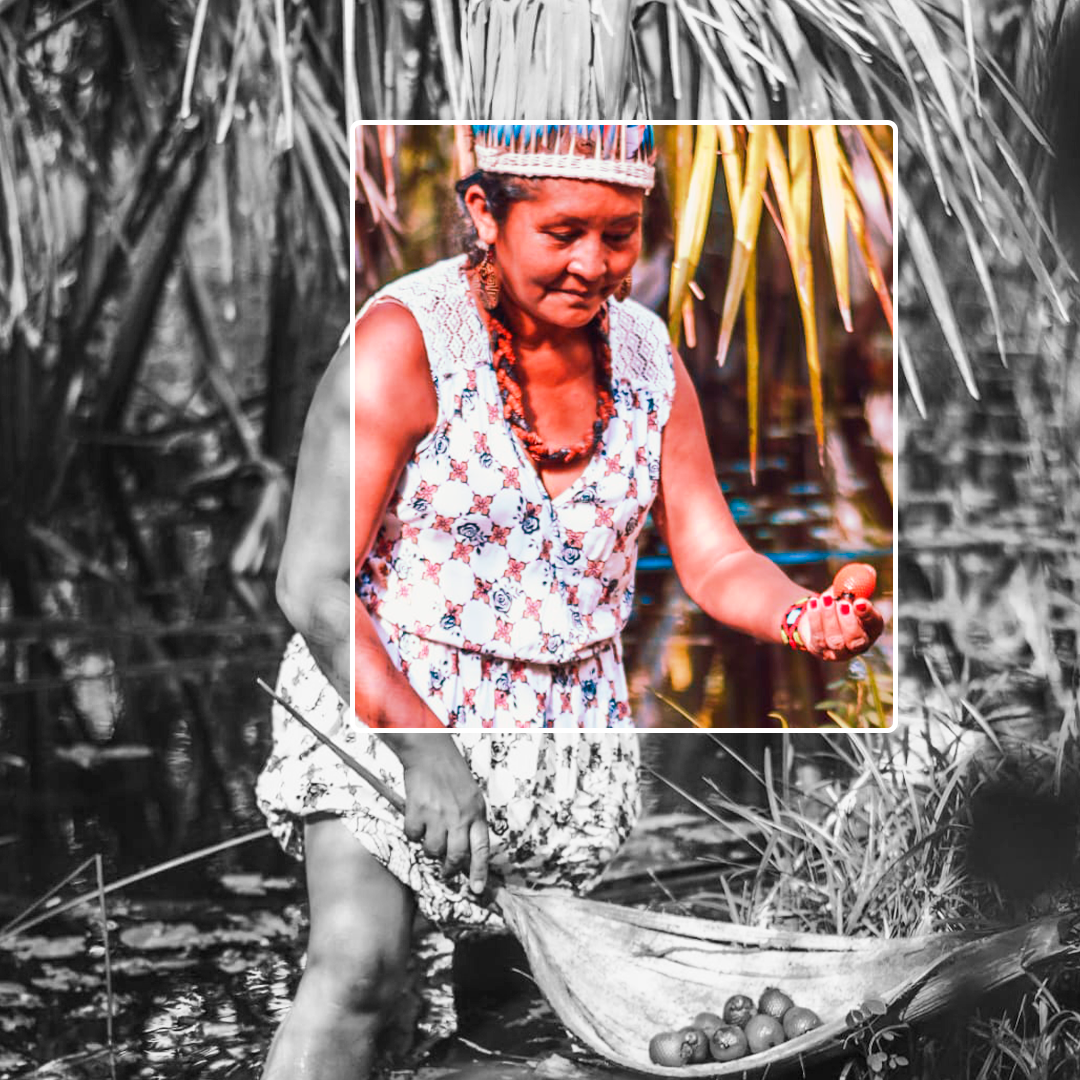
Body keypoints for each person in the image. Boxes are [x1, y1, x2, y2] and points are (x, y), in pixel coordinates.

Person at [257, 125, 884, 1080]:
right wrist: (426, 751)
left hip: (556, 740)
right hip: (382, 705)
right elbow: (310, 582)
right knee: (357, 971)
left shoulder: (644, 360)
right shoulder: (405, 343)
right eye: (563, 231)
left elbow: (713, 557)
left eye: (620, 233)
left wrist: (805, 616)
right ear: (483, 212)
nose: (594, 263)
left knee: (511, 1014)